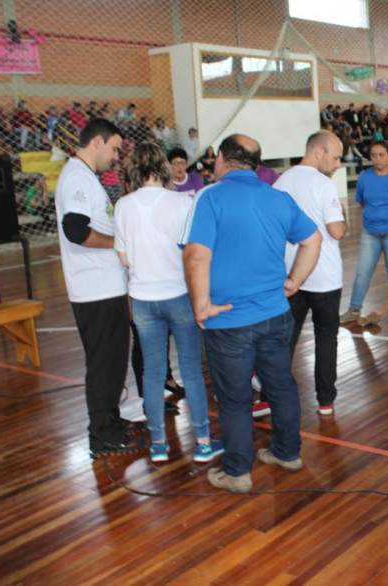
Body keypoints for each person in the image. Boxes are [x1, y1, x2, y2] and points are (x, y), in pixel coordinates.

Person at [182, 134, 321, 493]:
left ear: (222, 160)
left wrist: (201, 305)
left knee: (234, 398)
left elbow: (196, 255)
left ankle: (237, 472)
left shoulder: (210, 197)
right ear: (256, 165)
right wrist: (295, 280)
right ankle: (288, 453)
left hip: (228, 321)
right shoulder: (278, 198)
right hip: (275, 314)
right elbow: (313, 239)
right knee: (281, 387)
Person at [113, 143, 223, 464]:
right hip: (178, 294)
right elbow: (194, 251)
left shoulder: (123, 206)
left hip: (143, 299)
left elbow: (123, 258)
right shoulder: (182, 202)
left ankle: (158, 443)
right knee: (190, 369)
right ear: (162, 167)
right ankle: (203, 441)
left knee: (152, 370)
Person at [55, 118, 140, 458]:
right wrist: (117, 243)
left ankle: (112, 421)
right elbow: (75, 229)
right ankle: (101, 433)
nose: (116, 156)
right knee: (105, 362)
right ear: (97, 142)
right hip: (94, 288)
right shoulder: (76, 176)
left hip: (105, 286)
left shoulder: (85, 176)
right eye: (115, 148)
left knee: (113, 358)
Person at [275, 130, 347, 417]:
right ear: (318, 152)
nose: (338, 163)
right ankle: (325, 400)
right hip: (325, 276)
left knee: (284, 340)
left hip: (291, 274)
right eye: (336, 156)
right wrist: (341, 214)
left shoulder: (280, 182)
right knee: (326, 338)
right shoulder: (323, 185)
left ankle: (273, 394)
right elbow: (336, 231)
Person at [341, 140, 388, 324]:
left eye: (381, 155)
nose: (377, 159)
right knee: (363, 271)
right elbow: (361, 200)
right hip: (370, 231)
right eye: (374, 155)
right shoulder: (365, 177)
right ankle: (354, 309)